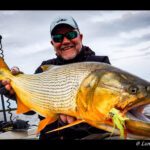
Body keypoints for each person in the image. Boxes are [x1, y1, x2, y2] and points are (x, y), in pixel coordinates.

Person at [0, 16, 111, 140]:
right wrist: (16, 95)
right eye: (58, 38)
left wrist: (75, 126)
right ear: (52, 44)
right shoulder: (43, 68)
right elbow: (30, 111)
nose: (65, 41)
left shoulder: (101, 65)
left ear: (80, 37)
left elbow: (109, 109)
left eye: (71, 34)